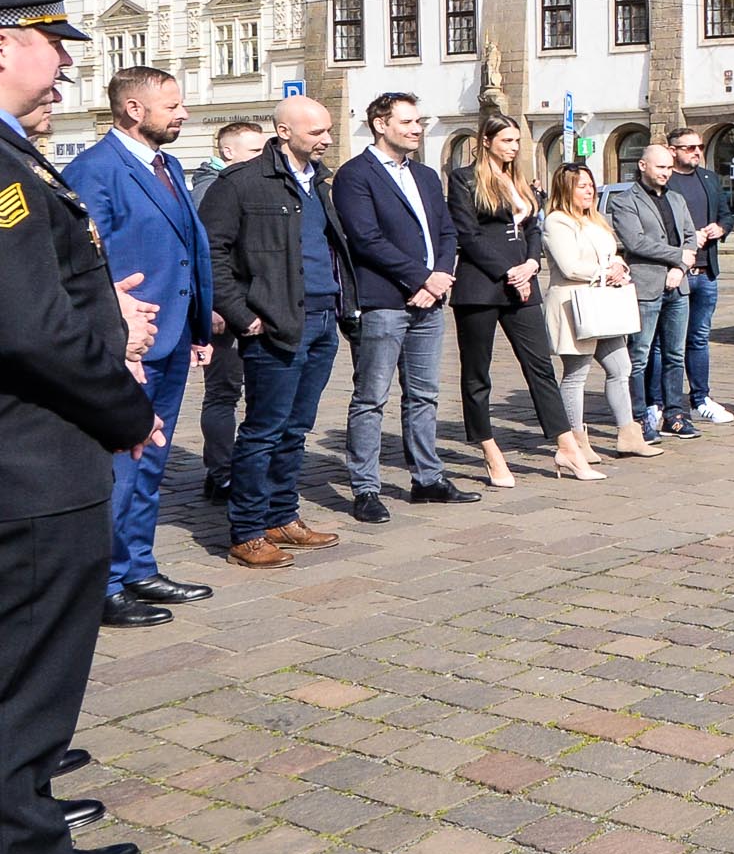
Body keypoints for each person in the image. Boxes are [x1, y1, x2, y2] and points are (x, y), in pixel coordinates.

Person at [0, 0, 178, 854]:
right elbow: (29, 327)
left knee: (23, 695)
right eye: (48, 38)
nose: (67, 58)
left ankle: (33, 850)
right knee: (25, 699)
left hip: (34, 462)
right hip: (31, 469)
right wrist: (123, 404)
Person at [66, 67, 219, 631]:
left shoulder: (170, 165)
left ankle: (138, 566)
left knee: (151, 461)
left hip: (174, 336)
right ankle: (102, 584)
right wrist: (117, 331)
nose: (183, 114)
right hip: (131, 339)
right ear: (134, 108)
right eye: (173, 106)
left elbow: (188, 250)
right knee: (120, 465)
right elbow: (85, 263)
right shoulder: (94, 170)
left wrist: (201, 325)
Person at [200, 94, 357, 570]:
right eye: (316, 132)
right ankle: (247, 531)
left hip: (323, 318)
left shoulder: (321, 183)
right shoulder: (243, 183)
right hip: (274, 322)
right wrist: (242, 314)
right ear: (284, 132)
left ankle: (281, 515)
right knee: (264, 429)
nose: (327, 139)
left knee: (296, 427)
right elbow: (213, 253)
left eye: (328, 130)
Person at [331, 91, 474, 521]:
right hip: (385, 302)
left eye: (419, 122)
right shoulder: (356, 175)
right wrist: (419, 277)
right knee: (372, 396)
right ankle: (366, 487)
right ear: (380, 124)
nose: (416, 129)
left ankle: (427, 478)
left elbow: (448, 232)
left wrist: (440, 277)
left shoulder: (427, 175)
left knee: (425, 394)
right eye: (408, 122)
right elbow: (366, 238)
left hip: (430, 302)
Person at [449, 114, 586, 483]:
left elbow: (532, 229)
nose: (512, 148)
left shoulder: (520, 181)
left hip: (523, 282)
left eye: (516, 142)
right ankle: (490, 451)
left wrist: (529, 264)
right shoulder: (464, 179)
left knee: (540, 364)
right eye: (506, 140)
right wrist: (508, 271)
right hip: (480, 285)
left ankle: (567, 447)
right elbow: (468, 234)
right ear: (487, 140)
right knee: (478, 373)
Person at [543, 163, 659, 462]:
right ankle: (575, 440)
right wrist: (605, 270)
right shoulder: (558, 221)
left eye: (590, 184)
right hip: (574, 305)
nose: (589, 189)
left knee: (621, 368)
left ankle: (628, 434)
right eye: (581, 185)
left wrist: (619, 266)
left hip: (604, 303)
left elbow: (611, 254)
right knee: (576, 374)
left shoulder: (595, 220)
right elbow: (569, 266)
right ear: (565, 188)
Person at [192, 120, 266, 503]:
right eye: (253, 151)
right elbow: (204, 254)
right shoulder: (211, 188)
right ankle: (220, 473)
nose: (261, 158)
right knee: (222, 393)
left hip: (251, 304)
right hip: (225, 310)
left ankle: (242, 468)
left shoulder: (246, 184)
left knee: (250, 392)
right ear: (227, 152)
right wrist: (213, 307)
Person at [607, 142, 700, 440]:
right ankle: (639, 416)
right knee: (640, 355)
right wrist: (677, 257)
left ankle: (675, 413)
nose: (666, 173)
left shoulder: (676, 198)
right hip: (646, 286)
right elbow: (636, 243)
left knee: (675, 354)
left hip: (677, 285)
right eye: (660, 167)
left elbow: (690, 238)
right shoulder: (625, 201)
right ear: (643, 165)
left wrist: (680, 268)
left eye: (669, 167)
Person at [663, 127, 734, 424]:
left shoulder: (709, 179)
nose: (696, 151)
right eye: (689, 147)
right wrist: (689, 238)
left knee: (700, 337)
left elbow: (727, 214)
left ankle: (700, 397)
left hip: (706, 272)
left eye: (700, 146)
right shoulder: (666, 182)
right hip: (677, 272)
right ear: (672, 150)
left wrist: (722, 228)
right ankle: (663, 402)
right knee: (668, 342)